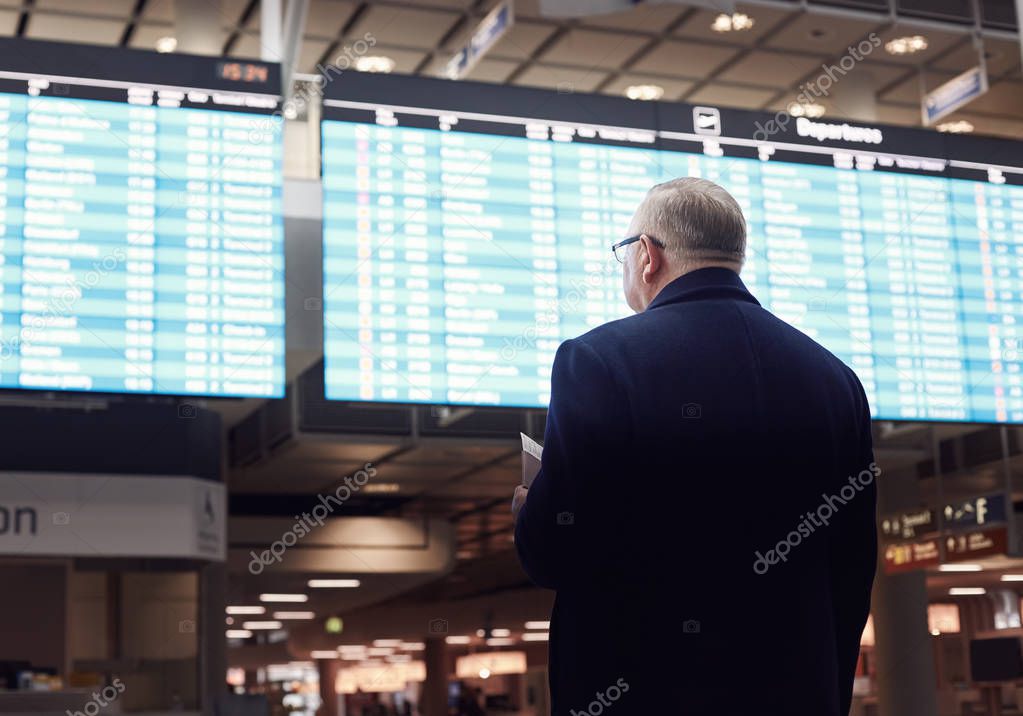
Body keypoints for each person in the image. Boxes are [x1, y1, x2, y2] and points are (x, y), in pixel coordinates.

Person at [512, 178, 877, 715]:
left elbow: (560, 549)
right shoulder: (834, 378)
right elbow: (852, 569)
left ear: (646, 256)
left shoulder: (598, 361)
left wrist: (530, 512)